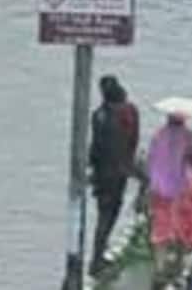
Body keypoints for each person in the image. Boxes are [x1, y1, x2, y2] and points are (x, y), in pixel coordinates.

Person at [143, 111, 192, 287]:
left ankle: (159, 269)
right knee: (185, 225)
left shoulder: (158, 135)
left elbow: (150, 161)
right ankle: (180, 265)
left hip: (159, 190)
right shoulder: (188, 136)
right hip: (182, 187)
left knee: (161, 228)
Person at [87, 76, 141, 275]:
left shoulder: (99, 114)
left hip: (103, 173)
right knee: (111, 213)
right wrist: (129, 163)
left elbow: (95, 148)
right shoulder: (129, 112)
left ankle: (97, 256)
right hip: (119, 172)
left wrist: (93, 169)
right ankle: (97, 258)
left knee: (104, 212)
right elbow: (133, 140)